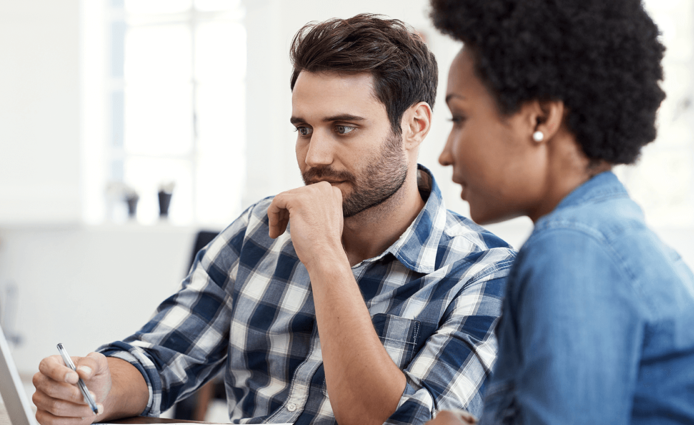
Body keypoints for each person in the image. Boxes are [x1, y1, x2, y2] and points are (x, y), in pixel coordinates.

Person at [32, 14, 515, 425]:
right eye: (304, 129)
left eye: (344, 127)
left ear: (415, 126)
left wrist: (327, 258)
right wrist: (98, 388)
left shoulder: (487, 275)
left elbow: (403, 421)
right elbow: (161, 356)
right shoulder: (258, 230)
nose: (316, 156)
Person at [426, 0, 694, 424]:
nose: (443, 154)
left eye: (459, 118)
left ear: (541, 117)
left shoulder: (573, 247)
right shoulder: (610, 228)